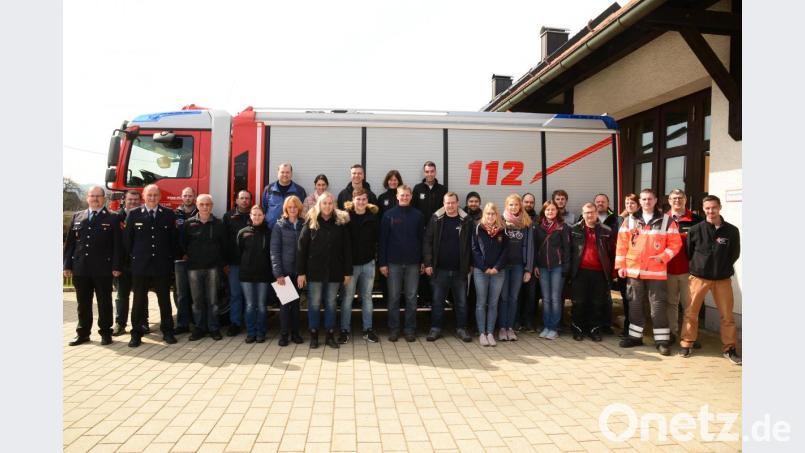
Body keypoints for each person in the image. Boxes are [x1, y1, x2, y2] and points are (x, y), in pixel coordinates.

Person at [615, 188, 682, 356]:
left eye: (649, 199)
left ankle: (661, 341)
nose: (646, 202)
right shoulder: (630, 220)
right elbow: (621, 245)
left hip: (656, 272)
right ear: (640, 202)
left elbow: (676, 244)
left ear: (655, 200)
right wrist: (621, 266)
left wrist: (663, 257)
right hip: (634, 271)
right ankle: (635, 337)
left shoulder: (666, 221)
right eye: (643, 199)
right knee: (635, 305)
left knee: (658, 307)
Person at [679, 195, 741, 364]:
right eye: (707, 208)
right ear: (703, 209)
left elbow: (734, 254)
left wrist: (720, 268)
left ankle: (730, 349)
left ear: (720, 207)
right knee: (691, 313)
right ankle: (687, 342)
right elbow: (689, 252)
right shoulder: (695, 230)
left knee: (727, 315)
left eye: (714, 207)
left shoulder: (732, 231)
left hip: (722, 279)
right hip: (698, 278)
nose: (710, 211)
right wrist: (700, 267)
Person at [64, 186, 122, 346]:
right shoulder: (78, 216)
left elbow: (118, 246)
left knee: (104, 302)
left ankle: (105, 332)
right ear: (87, 198)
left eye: (98, 196)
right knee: (83, 303)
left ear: (104, 198)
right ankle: (82, 333)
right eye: (92, 196)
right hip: (81, 267)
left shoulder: (113, 218)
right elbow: (70, 245)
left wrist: (117, 266)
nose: (95, 199)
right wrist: (67, 265)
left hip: (103, 268)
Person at [124, 184, 179, 347]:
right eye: (149, 195)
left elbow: (173, 241)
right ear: (144, 196)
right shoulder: (134, 214)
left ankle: (168, 331)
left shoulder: (168, 215)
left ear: (160, 196)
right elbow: (128, 240)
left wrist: (171, 261)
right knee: (138, 301)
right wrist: (130, 262)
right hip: (140, 266)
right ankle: (136, 334)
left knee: (164, 300)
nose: (152, 198)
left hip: (161, 266)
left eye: (155, 195)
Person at [297, 192, 352, 349]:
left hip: (335, 272)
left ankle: (329, 335)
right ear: (319, 205)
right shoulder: (311, 222)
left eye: (330, 203)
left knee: (331, 303)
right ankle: (314, 335)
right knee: (314, 304)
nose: (327, 206)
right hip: (314, 272)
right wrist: (301, 272)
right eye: (324, 203)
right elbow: (302, 249)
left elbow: (347, 250)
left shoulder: (340, 223)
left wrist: (347, 272)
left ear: (333, 205)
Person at [423, 192, 473, 342]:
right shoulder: (436, 219)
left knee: (461, 302)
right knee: (437, 302)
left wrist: (470, 264)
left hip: (460, 270)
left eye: (453, 203)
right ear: (443, 204)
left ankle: (461, 329)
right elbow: (427, 242)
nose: (450, 206)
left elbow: (472, 245)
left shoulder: (466, 220)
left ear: (458, 203)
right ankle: (436, 328)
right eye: (447, 203)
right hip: (440, 270)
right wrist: (428, 263)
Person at [379, 185, 424, 342]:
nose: (404, 197)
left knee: (412, 297)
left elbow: (422, 240)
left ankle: (410, 329)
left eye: (407, 195)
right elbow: (382, 241)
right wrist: (382, 263)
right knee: (394, 297)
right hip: (393, 263)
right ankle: (394, 329)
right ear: (397, 197)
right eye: (402, 195)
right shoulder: (388, 215)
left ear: (411, 197)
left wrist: (423, 261)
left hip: (413, 263)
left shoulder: (418, 215)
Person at [181, 194, 228, 341]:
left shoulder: (219, 224)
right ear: (197, 205)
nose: (205, 207)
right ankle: (199, 329)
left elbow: (224, 245)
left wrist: (223, 264)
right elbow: (182, 243)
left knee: (213, 301)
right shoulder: (188, 224)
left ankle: (214, 328)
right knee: (197, 301)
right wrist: (186, 255)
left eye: (208, 204)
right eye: (202, 204)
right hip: (194, 268)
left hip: (213, 268)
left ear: (212, 206)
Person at [569, 203, 615, 342]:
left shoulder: (607, 230)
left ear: (596, 213)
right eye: (587, 212)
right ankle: (578, 329)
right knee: (579, 302)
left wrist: (612, 273)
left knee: (597, 303)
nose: (589, 215)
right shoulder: (573, 229)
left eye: (592, 212)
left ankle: (594, 330)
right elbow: (569, 251)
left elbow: (611, 253)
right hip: (579, 272)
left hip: (599, 272)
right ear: (582, 214)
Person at [340, 188, 380, 344]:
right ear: (353, 200)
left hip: (368, 264)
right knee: (347, 298)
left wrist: (375, 259)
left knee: (367, 298)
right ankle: (344, 330)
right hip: (351, 266)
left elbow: (378, 240)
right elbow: (342, 243)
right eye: (358, 199)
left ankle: (368, 330)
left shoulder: (373, 218)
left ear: (367, 201)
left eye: (364, 199)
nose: (361, 202)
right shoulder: (346, 218)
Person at [666, 189, 703, 343]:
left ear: (685, 199)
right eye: (674, 198)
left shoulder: (697, 220)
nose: (677, 201)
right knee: (671, 304)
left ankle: (689, 336)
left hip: (690, 271)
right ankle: (671, 334)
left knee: (690, 306)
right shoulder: (662, 220)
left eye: (680, 198)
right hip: (668, 270)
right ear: (669, 201)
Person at [497, 194, 534, 342]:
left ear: (520, 206)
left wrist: (528, 269)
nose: (513, 207)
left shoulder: (526, 223)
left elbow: (530, 247)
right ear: (506, 206)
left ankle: (510, 328)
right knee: (504, 298)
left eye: (516, 205)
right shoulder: (500, 221)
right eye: (511, 205)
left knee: (513, 298)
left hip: (519, 266)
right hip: (503, 267)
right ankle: (502, 328)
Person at [270, 196, 306, 346]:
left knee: (296, 305)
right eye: (290, 207)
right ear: (285, 209)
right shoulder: (279, 226)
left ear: (299, 209)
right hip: (284, 273)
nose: (292, 210)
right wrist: (278, 274)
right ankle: (284, 334)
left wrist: (303, 272)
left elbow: (306, 250)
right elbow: (274, 251)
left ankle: (296, 333)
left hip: (299, 273)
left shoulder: (304, 225)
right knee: (285, 305)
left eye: (295, 207)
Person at [472, 202, 508, 346]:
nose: (490, 216)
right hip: (481, 271)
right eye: (488, 214)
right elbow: (474, 250)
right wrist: (485, 267)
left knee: (493, 303)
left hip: (498, 272)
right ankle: (482, 333)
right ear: (484, 215)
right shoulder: (477, 229)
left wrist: (496, 268)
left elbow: (506, 252)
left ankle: (490, 333)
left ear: (497, 215)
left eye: (493, 214)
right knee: (481, 303)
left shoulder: (503, 230)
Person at [534, 201, 570, 340]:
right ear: (544, 211)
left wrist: (566, 267)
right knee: (546, 299)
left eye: (553, 209)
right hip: (542, 267)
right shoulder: (538, 227)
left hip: (557, 267)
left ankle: (554, 328)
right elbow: (535, 248)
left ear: (557, 211)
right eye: (547, 210)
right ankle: (546, 326)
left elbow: (567, 248)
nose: (550, 212)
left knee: (555, 298)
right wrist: (535, 265)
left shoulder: (563, 227)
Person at [413, 161, 446, 308]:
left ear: (436, 172)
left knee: (434, 265)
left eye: (432, 171)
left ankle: (435, 301)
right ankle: (423, 298)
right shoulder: (417, 188)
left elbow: (445, 210)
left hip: (437, 234)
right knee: (422, 266)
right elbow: (413, 210)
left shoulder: (442, 189)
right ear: (424, 172)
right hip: (420, 234)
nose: (429, 174)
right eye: (427, 171)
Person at [238, 205, 272, 344]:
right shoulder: (243, 233)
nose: (257, 217)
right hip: (246, 275)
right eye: (254, 214)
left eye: (259, 215)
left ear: (264, 216)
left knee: (262, 305)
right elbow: (239, 251)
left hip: (263, 275)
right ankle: (251, 333)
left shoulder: (269, 232)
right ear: (250, 216)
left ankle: (261, 332)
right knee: (250, 305)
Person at [222, 190, 252, 337]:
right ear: (236, 200)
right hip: (233, 263)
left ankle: (249, 323)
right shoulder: (228, 216)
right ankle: (235, 323)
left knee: (249, 295)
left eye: (247, 198)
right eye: (242, 198)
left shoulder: (255, 215)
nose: (245, 201)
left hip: (250, 263)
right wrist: (225, 262)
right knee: (235, 295)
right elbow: (224, 241)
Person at [112, 189, 140, 336]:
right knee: (122, 295)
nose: (133, 202)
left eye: (136, 200)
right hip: (122, 263)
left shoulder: (143, 215)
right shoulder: (116, 217)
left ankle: (143, 322)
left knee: (141, 295)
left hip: (139, 263)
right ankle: (120, 324)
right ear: (124, 200)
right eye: (130, 200)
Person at [592, 193, 620, 334]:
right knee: (593, 296)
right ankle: (593, 324)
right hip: (591, 264)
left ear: (608, 203)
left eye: (603, 201)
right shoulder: (587, 216)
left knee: (606, 296)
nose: (600, 203)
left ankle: (606, 325)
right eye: (597, 201)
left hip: (606, 263)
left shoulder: (616, 220)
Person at [172, 186, 198, 335]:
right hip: (180, 259)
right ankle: (182, 324)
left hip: (196, 259)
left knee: (196, 293)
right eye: (185, 195)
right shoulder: (175, 214)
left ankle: (195, 323)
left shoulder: (199, 213)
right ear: (181, 197)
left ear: (194, 197)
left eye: (190, 196)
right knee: (181, 293)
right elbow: (172, 237)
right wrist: (180, 254)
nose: (188, 198)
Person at [616, 193, 640, 337]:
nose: (629, 205)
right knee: (626, 298)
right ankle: (627, 328)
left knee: (635, 300)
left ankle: (635, 330)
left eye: (632, 203)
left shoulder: (642, 220)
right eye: (627, 203)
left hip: (637, 267)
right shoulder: (621, 220)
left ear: (638, 205)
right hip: (623, 266)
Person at [516, 192, 539, 332]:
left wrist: (534, 265)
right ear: (521, 203)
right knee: (517, 295)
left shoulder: (538, 220)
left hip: (533, 264)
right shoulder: (515, 219)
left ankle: (528, 322)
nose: (529, 204)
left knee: (531, 296)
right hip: (518, 263)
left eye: (531, 202)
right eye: (526, 202)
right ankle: (517, 321)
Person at [262, 162, 307, 228]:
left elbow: (302, 211)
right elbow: (264, 208)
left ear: (291, 174)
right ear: (278, 173)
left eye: (287, 172)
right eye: (282, 172)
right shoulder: (268, 189)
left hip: (291, 231)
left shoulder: (299, 190)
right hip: (270, 229)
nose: (285, 175)